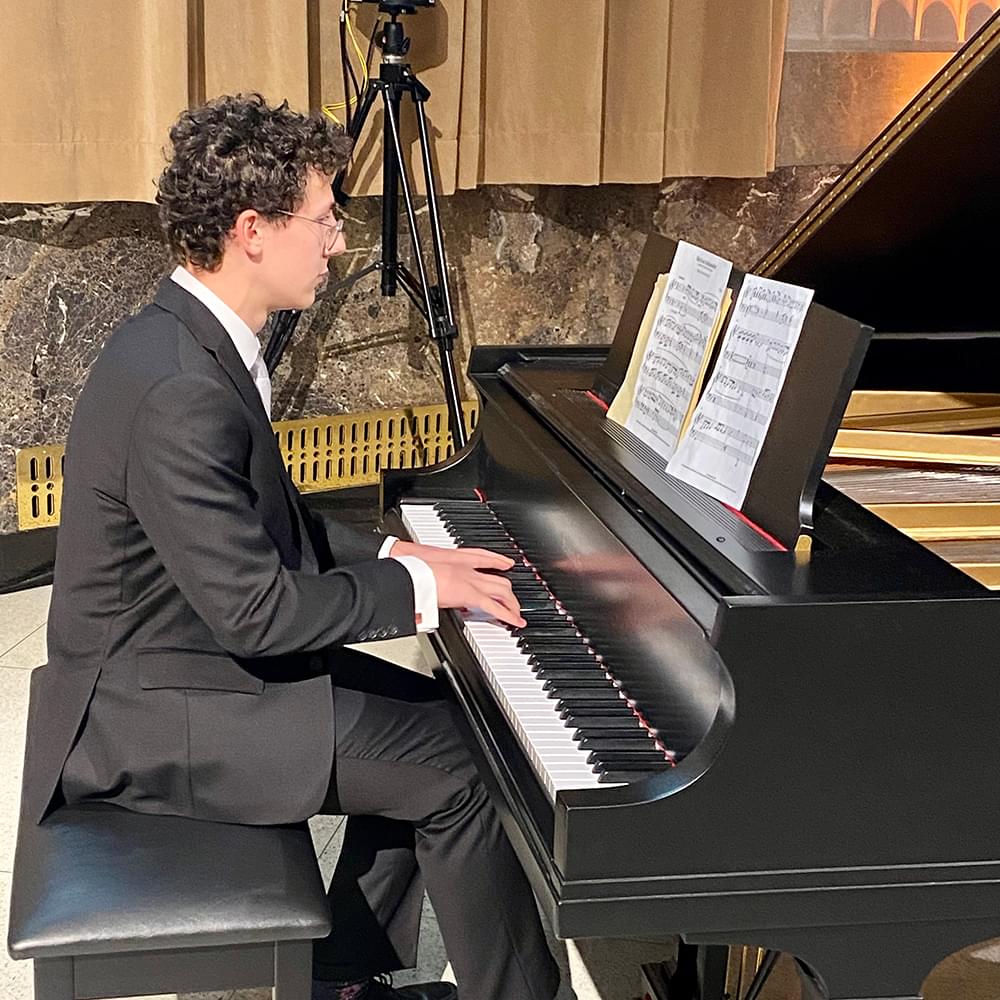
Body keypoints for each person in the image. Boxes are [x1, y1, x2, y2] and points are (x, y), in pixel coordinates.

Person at [22, 93, 561, 1000]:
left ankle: (342, 979)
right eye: (323, 219)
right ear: (252, 231)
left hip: (182, 665)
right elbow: (258, 614)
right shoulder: (180, 389)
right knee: (462, 770)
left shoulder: (191, 339)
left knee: (450, 721)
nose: (340, 243)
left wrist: (402, 559)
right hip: (153, 718)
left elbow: (273, 525)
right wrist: (426, 596)